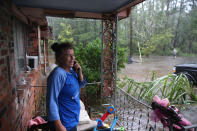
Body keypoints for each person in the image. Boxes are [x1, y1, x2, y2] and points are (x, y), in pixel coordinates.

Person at [46, 42, 86, 131]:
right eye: (69, 56)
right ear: (60, 58)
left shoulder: (72, 71)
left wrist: (79, 72)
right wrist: (58, 125)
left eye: (73, 55)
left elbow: (82, 84)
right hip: (63, 124)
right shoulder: (58, 74)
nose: (73, 58)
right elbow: (51, 101)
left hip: (72, 120)